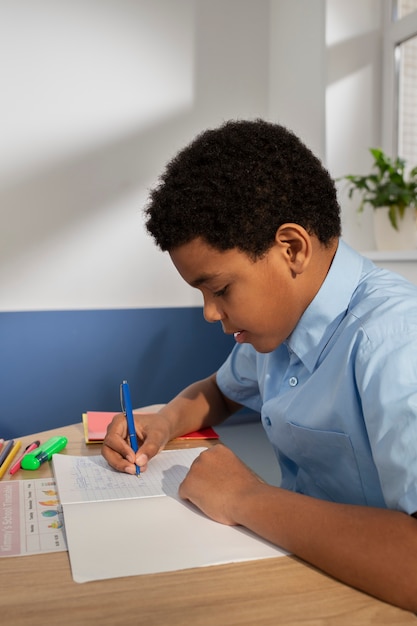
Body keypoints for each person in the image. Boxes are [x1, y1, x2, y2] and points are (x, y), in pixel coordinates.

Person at [102, 119, 417, 612]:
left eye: (220, 289)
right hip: (303, 569)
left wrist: (246, 498)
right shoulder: (280, 325)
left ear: (291, 249)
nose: (210, 313)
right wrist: (164, 421)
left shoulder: (396, 342)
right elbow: (222, 391)